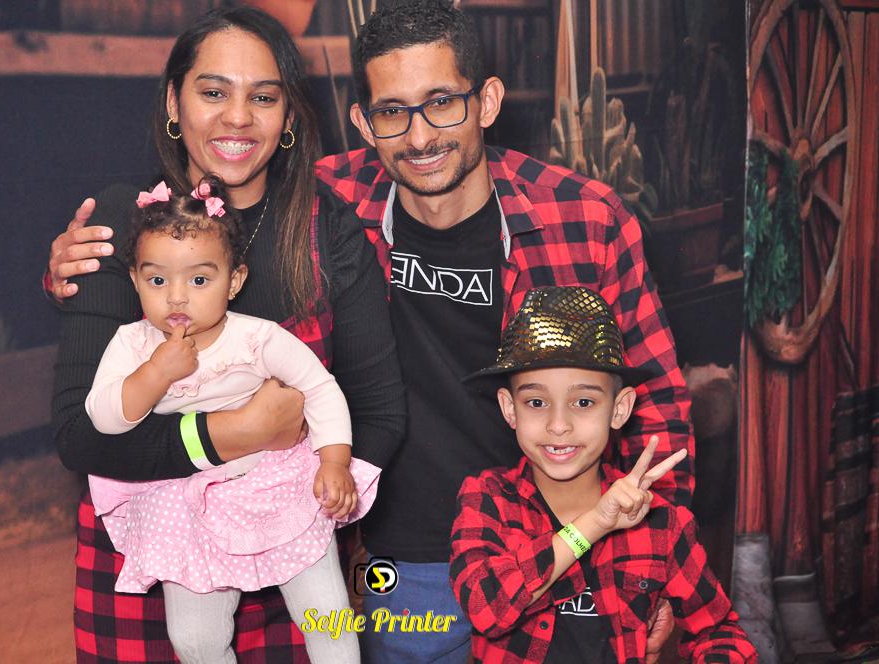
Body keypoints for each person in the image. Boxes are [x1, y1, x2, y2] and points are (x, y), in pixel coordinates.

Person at [51, 1, 690, 661]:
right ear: (362, 123)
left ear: (487, 102)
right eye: (392, 112)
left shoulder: (580, 219)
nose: (420, 136)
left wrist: (656, 571)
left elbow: (657, 410)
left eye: (442, 103)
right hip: (398, 568)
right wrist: (78, 280)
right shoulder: (331, 202)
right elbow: (91, 405)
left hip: (547, 551)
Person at [48, 7, 404, 663]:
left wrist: (308, 505)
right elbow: (80, 434)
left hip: (294, 554)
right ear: (174, 103)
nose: (238, 117)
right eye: (213, 92)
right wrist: (232, 434)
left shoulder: (325, 227)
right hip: (153, 565)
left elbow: (380, 410)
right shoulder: (125, 220)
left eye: (263, 97)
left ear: (288, 115)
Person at [85, 176, 378, 663]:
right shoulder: (132, 345)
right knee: (194, 640)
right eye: (158, 281)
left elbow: (320, 389)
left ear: (234, 280)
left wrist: (334, 460)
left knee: (327, 616)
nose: (177, 298)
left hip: (276, 488)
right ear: (135, 280)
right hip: (187, 506)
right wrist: (156, 373)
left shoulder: (257, 338)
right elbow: (104, 418)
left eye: (199, 280)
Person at [450, 286, 756, 663]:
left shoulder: (661, 522)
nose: (558, 424)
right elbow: (485, 608)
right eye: (536, 402)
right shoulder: (489, 500)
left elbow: (718, 631)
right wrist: (595, 523)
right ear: (509, 409)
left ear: (619, 409)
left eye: (583, 402)